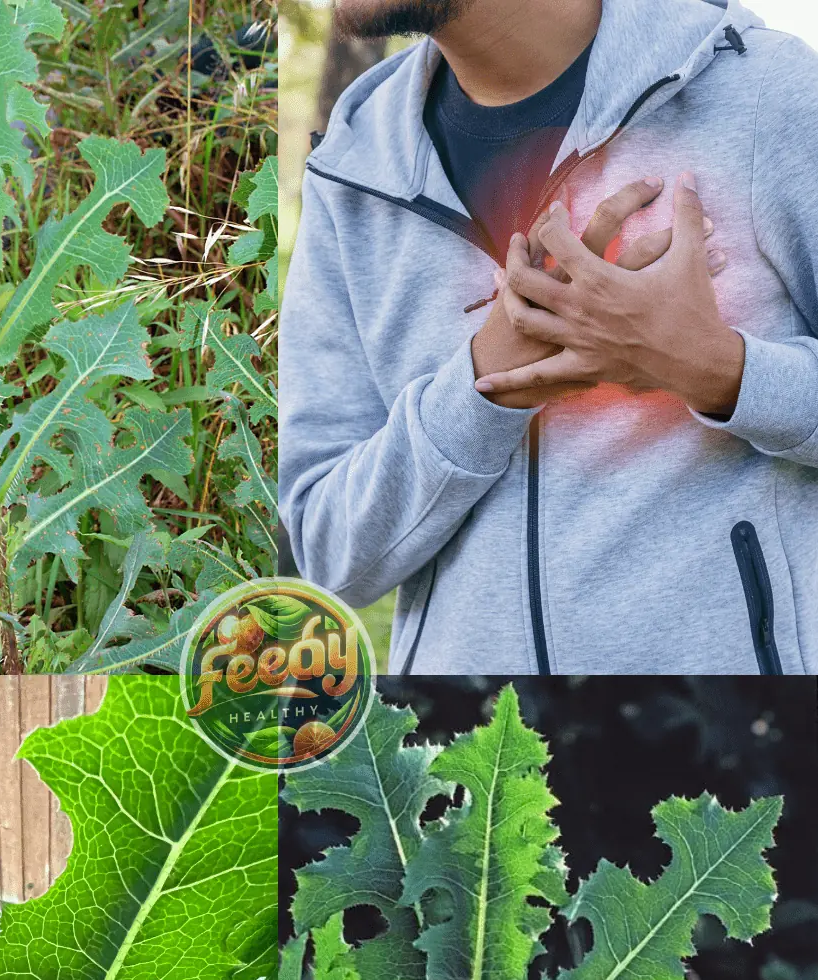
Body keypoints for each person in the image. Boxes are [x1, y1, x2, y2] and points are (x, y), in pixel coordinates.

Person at [278, 0, 818, 675]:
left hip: (726, 749)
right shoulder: (352, 171)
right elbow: (326, 551)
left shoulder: (767, 93)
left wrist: (718, 370)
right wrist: (487, 381)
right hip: (475, 760)